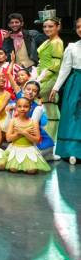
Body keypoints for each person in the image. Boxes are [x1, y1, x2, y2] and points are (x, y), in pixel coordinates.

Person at [50, 17, 81, 164]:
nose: (80, 29)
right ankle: (71, 151)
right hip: (76, 83)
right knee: (72, 116)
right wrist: (56, 87)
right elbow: (65, 69)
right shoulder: (72, 47)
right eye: (78, 26)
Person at [35, 16, 64, 141]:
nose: (47, 29)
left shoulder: (57, 42)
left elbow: (55, 65)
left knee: (49, 106)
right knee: (48, 106)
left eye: (50, 26)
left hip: (50, 77)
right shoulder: (48, 41)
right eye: (45, 26)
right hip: (41, 75)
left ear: (58, 27)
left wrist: (40, 79)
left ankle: (53, 139)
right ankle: (50, 138)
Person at [4, 97, 51, 174]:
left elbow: (37, 140)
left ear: (30, 108)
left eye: (26, 106)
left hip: (29, 148)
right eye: (19, 106)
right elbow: (8, 139)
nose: (22, 109)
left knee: (31, 171)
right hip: (15, 148)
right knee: (13, 169)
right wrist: (22, 132)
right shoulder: (13, 121)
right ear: (16, 108)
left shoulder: (33, 122)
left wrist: (24, 133)